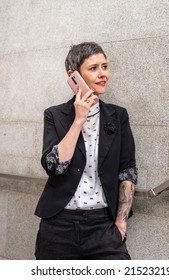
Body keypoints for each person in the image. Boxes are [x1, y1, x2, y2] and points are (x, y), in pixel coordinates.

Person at [34, 42, 137, 260]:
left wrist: (121, 223)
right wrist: (79, 120)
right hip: (59, 226)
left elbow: (127, 171)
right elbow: (55, 167)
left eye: (105, 66)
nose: (103, 74)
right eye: (93, 68)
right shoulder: (54, 115)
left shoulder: (118, 116)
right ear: (73, 76)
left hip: (103, 228)